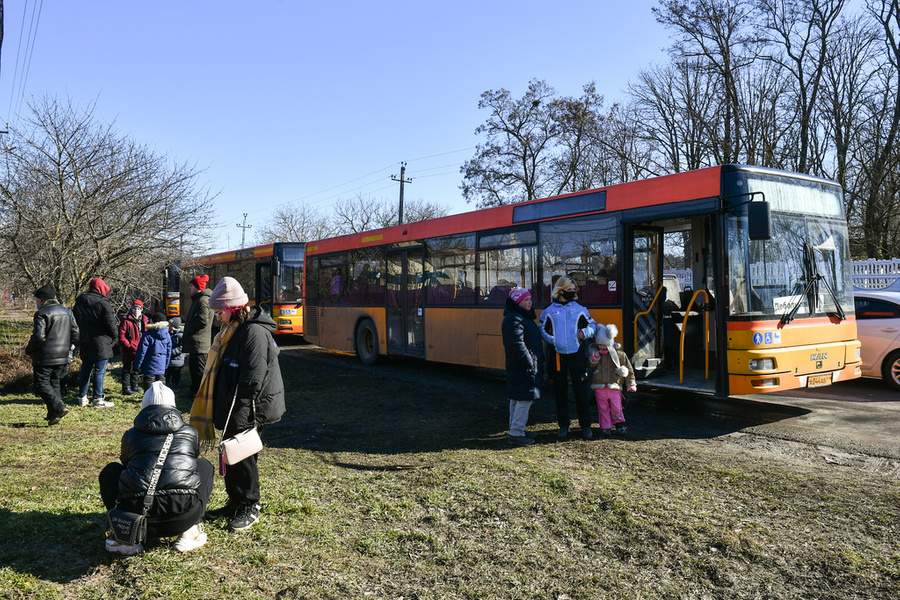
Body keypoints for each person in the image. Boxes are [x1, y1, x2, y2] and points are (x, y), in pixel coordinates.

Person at [190, 276, 285, 532]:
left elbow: (252, 378)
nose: (217, 317)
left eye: (219, 311)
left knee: (243, 457)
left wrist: (238, 410)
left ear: (232, 308)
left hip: (249, 407)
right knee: (230, 456)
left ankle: (249, 505)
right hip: (234, 405)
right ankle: (235, 501)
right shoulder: (232, 330)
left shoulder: (253, 333)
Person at [99, 382, 214, 555]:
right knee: (204, 466)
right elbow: (190, 462)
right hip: (182, 517)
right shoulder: (190, 432)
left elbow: (125, 463)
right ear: (173, 406)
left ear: (144, 407)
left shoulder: (131, 435)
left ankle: (123, 536)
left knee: (111, 471)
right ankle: (190, 532)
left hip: (136, 516)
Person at [539, 275, 597, 440]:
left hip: (577, 354)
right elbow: (542, 328)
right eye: (569, 290)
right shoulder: (549, 310)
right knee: (560, 391)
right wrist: (552, 340)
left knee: (581, 391)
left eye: (574, 290)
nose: (572, 292)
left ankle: (585, 426)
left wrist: (584, 333)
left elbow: (592, 325)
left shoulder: (580, 309)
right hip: (558, 356)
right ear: (560, 290)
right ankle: (563, 425)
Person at [25, 284, 79, 425]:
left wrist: (29, 349)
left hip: (45, 356)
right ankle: (53, 414)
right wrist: (65, 346)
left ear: (42, 300)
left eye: (36, 299)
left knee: (41, 384)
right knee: (55, 384)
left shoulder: (42, 314)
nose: (35, 302)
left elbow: (39, 337)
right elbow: (75, 334)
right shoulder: (67, 312)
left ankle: (59, 407)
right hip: (62, 355)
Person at [501, 286, 543, 446]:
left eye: (530, 299)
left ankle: (516, 429)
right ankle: (517, 433)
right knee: (524, 399)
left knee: (517, 398)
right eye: (526, 299)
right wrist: (530, 362)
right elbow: (517, 345)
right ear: (518, 301)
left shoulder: (518, 317)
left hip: (521, 366)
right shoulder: (515, 319)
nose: (530, 302)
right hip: (524, 366)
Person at [72, 277, 117, 408]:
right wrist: (115, 337)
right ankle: (98, 398)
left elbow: (75, 322)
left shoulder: (79, 302)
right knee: (99, 371)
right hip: (102, 341)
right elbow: (111, 324)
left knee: (85, 369)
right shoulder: (103, 303)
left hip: (85, 340)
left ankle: (82, 397)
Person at [587, 324, 637, 437]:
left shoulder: (620, 354)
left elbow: (628, 369)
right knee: (602, 408)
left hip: (614, 385)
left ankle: (619, 423)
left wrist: (631, 383)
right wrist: (594, 359)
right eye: (599, 345)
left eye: (604, 345)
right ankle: (605, 427)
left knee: (616, 407)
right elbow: (590, 367)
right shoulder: (596, 354)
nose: (601, 347)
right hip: (599, 386)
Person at [183, 275, 214, 398]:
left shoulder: (202, 301)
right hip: (197, 343)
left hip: (199, 343)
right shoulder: (199, 299)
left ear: (198, 287)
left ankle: (200, 394)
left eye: (191, 285)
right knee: (194, 369)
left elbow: (202, 321)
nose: (189, 287)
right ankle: (194, 391)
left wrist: (189, 329)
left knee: (199, 370)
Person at [134, 312, 172, 391]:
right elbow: (169, 352)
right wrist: (165, 365)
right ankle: (162, 401)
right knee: (161, 386)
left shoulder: (147, 335)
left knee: (149, 386)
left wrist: (137, 365)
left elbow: (141, 352)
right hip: (161, 365)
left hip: (149, 365)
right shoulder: (167, 335)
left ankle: (149, 402)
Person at [119, 300, 149, 395]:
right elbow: (121, 336)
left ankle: (135, 385)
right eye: (135, 308)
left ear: (141, 310)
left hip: (140, 348)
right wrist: (129, 345)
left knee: (136, 368)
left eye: (138, 309)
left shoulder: (145, 320)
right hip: (129, 349)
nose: (136, 311)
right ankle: (126, 387)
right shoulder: (125, 320)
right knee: (127, 369)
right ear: (131, 309)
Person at [166, 316, 185, 391]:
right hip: (169, 360)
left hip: (177, 360)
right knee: (167, 373)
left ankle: (175, 385)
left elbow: (181, 348)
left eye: (170, 325)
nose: (169, 327)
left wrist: (171, 352)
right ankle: (166, 384)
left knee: (176, 374)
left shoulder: (180, 335)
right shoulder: (169, 334)